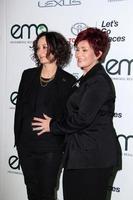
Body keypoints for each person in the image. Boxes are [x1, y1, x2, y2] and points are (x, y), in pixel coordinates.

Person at [32, 27, 122, 200]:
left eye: (84, 50)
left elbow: (81, 119)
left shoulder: (99, 81)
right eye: (77, 49)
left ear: (98, 53)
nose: (78, 54)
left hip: (94, 159)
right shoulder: (85, 79)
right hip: (78, 156)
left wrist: (52, 125)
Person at [14, 31, 76, 200]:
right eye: (38, 48)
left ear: (56, 50)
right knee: (32, 191)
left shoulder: (68, 81)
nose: (40, 52)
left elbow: (70, 118)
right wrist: (19, 140)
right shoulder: (27, 75)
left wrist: (53, 124)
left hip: (51, 147)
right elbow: (20, 109)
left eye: (45, 47)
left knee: (47, 192)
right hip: (26, 145)